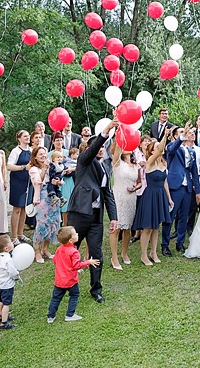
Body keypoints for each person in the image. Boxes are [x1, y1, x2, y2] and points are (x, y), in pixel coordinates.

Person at [66, 119, 119, 303]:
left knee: (96, 253)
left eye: (104, 146)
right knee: (71, 250)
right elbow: (96, 143)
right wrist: (108, 129)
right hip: (80, 213)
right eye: (99, 146)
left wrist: (113, 217)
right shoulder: (84, 161)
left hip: (96, 217)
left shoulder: (105, 167)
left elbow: (108, 193)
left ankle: (96, 289)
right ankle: (65, 284)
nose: (102, 148)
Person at [133, 131, 173, 265]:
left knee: (156, 227)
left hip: (160, 194)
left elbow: (165, 182)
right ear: (152, 151)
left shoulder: (163, 163)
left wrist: (169, 198)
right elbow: (161, 148)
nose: (159, 149)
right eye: (156, 147)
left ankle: (153, 252)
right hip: (150, 195)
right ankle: (144, 255)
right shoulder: (149, 162)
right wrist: (165, 136)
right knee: (148, 227)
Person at [163, 123, 200, 256]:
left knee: (184, 217)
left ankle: (180, 243)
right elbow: (172, 149)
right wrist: (181, 137)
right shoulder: (171, 147)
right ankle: (165, 245)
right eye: (180, 132)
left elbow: (195, 172)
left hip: (187, 188)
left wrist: (198, 191)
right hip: (175, 186)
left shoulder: (192, 151)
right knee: (171, 216)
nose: (185, 133)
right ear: (175, 136)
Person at [48, 226, 100, 323]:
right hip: (70, 280)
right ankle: (70, 315)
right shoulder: (74, 252)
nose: (77, 234)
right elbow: (76, 265)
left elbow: (55, 260)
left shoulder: (59, 249)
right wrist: (89, 262)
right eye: (75, 233)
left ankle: (50, 316)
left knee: (56, 298)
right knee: (74, 294)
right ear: (71, 241)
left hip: (59, 280)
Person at [109, 135, 140, 270]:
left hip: (131, 198)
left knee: (127, 228)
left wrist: (135, 187)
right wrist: (120, 135)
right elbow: (116, 150)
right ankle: (114, 257)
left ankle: (124, 253)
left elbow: (139, 182)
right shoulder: (117, 163)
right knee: (116, 227)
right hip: (118, 196)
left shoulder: (136, 165)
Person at [30, 147, 61, 264]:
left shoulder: (51, 167)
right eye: (40, 154)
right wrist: (44, 168)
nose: (43, 156)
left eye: (44, 154)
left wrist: (57, 182)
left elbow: (56, 178)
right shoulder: (33, 169)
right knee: (42, 224)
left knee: (52, 223)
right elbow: (39, 181)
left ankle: (45, 249)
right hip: (42, 198)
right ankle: (37, 251)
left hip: (53, 198)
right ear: (35, 157)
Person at [7, 130, 33, 245]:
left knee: (24, 209)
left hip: (29, 182)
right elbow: (9, 166)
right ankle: (13, 236)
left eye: (28, 136)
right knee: (17, 209)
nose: (28, 138)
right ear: (19, 138)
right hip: (17, 182)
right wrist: (23, 167)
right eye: (25, 136)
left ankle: (20, 233)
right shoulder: (16, 151)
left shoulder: (31, 150)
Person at [0, 235, 19, 330]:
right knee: (6, 304)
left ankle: (1, 315)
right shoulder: (8, 260)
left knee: (1, 301)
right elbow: (12, 272)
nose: (12, 243)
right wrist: (17, 276)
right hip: (7, 286)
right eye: (11, 242)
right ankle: (4, 323)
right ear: (6, 248)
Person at [49, 133, 75, 224]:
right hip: (54, 182)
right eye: (57, 140)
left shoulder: (68, 153)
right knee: (55, 205)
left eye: (61, 140)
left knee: (66, 206)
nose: (59, 142)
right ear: (53, 142)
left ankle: (66, 228)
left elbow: (78, 164)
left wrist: (71, 169)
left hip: (67, 182)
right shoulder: (49, 155)